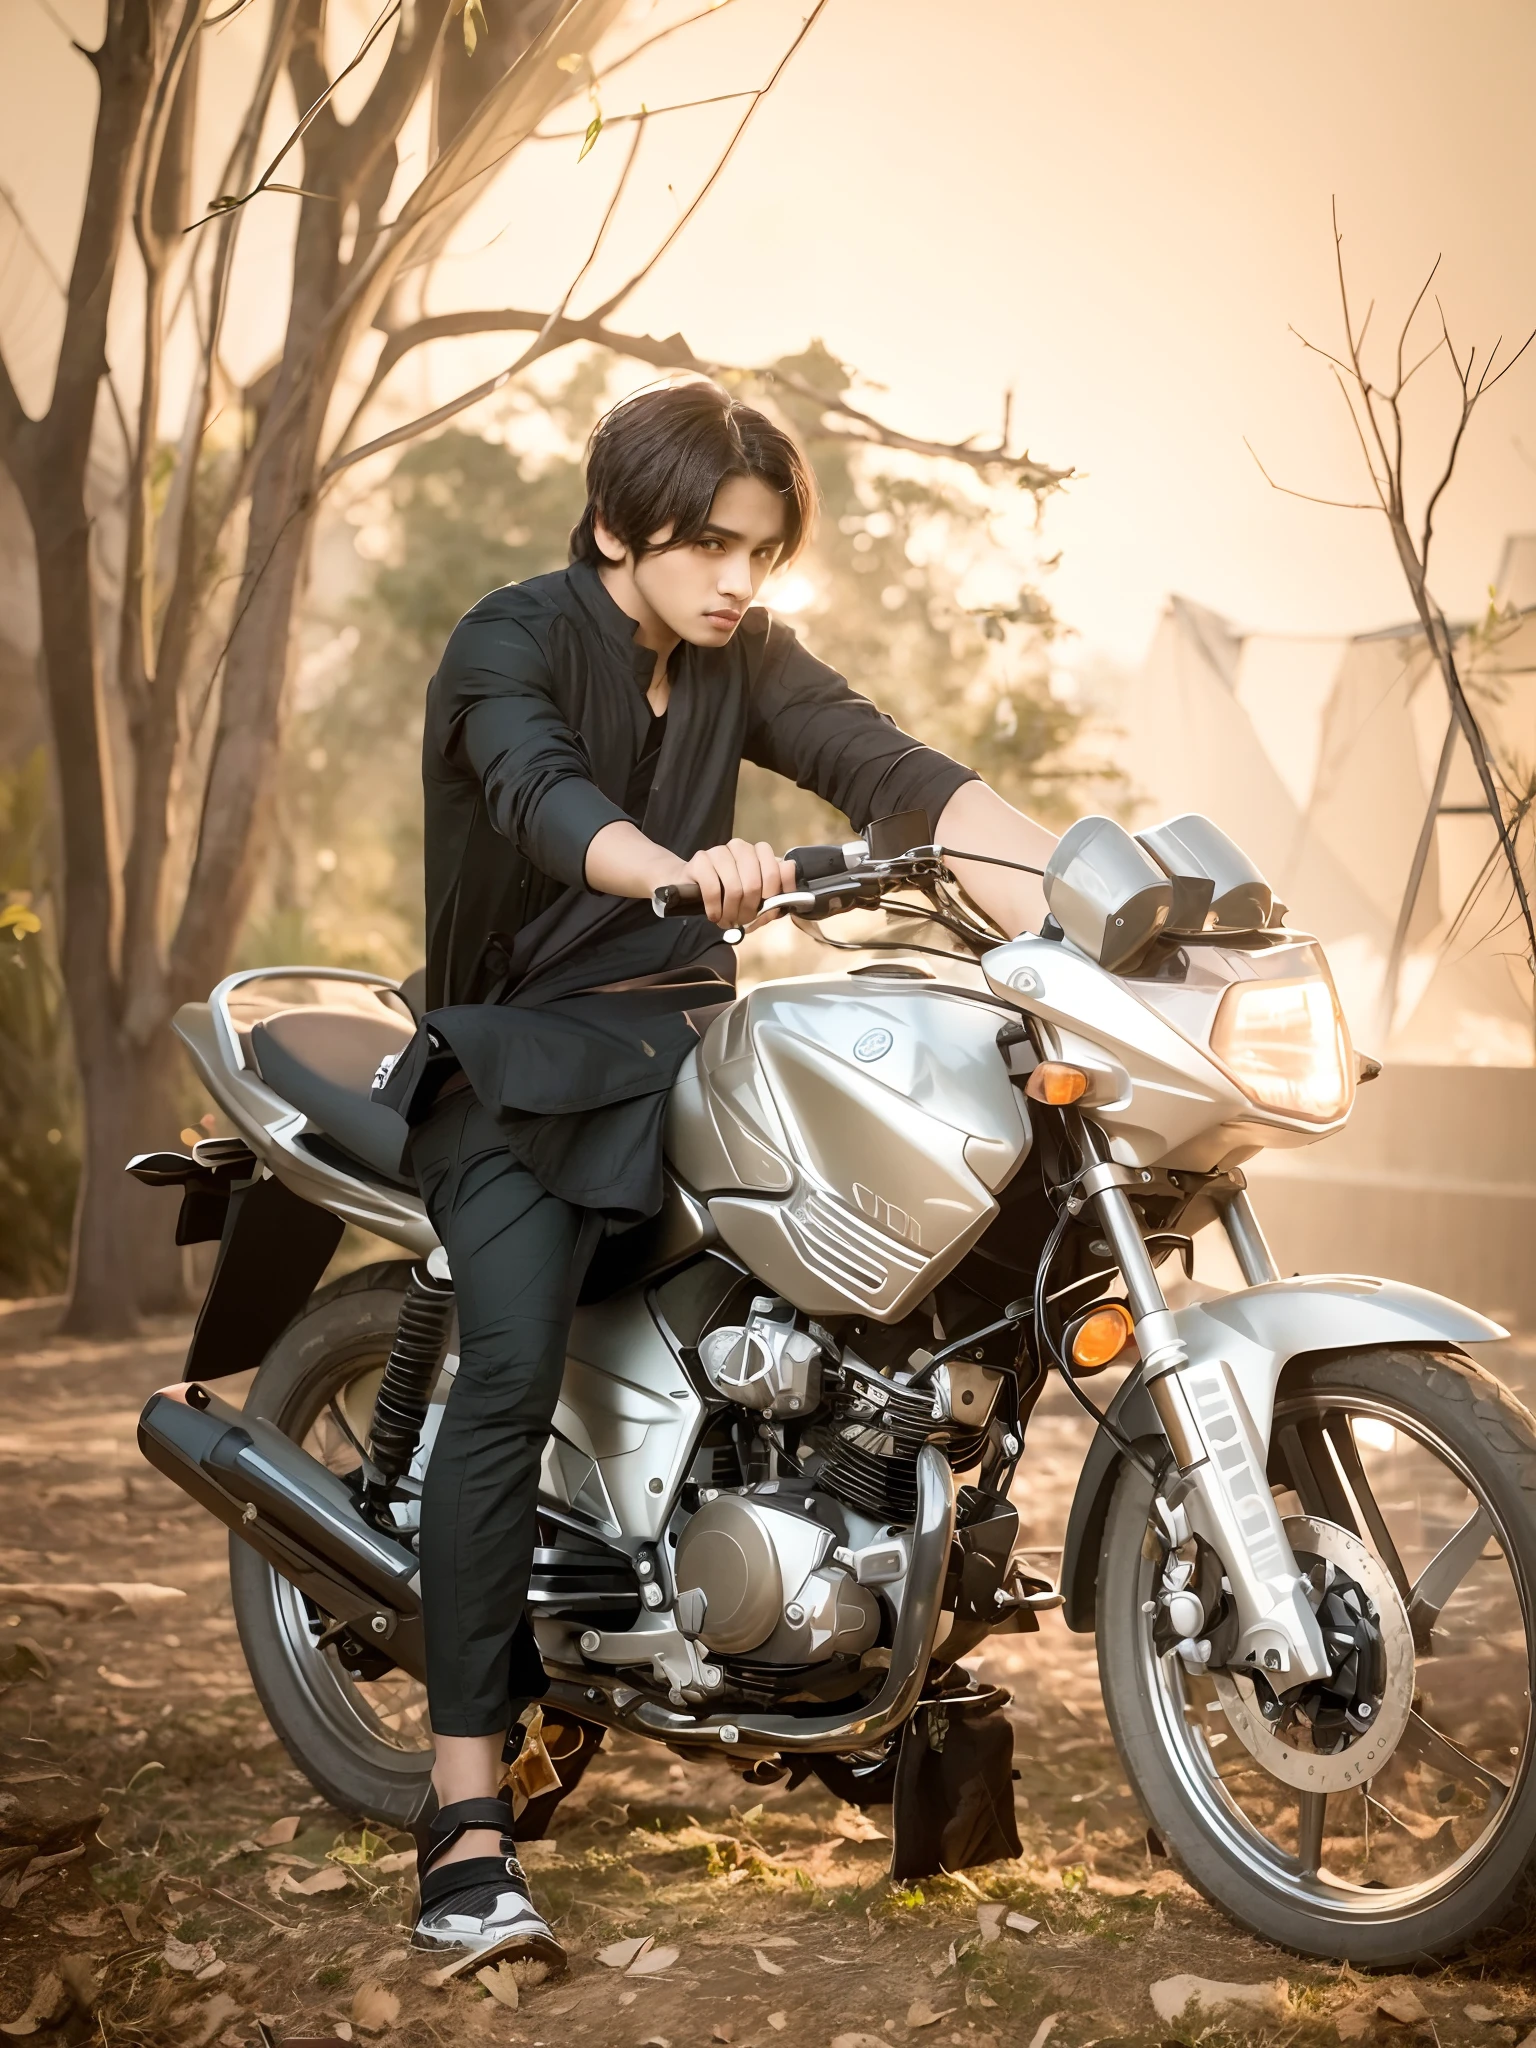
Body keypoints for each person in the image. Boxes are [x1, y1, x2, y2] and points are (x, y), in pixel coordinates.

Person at [377, 380, 1057, 1966]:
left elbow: (882, 762)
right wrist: (678, 868)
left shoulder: (745, 655)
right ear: (619, 527)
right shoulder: (510, 639)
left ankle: (827, 1653)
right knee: (507, 1374)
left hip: (686, 1052)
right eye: (706, 545)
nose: (740, 577)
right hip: (517, 1062)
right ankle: (465, 1820)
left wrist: (1087, 883)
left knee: (905, 1293)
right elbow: (551, 803)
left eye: (761, 548)